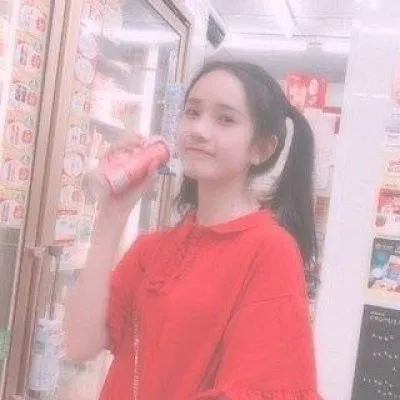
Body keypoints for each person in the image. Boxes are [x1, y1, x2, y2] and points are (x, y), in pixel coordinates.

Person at [65, 61, 321, 399]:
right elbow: (80, 345)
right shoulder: (153, 248)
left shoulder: (270, 250)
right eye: (192, 112)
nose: (199, 129)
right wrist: (112, 216)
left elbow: (262, 388)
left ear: (262, 148)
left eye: (225, 119)